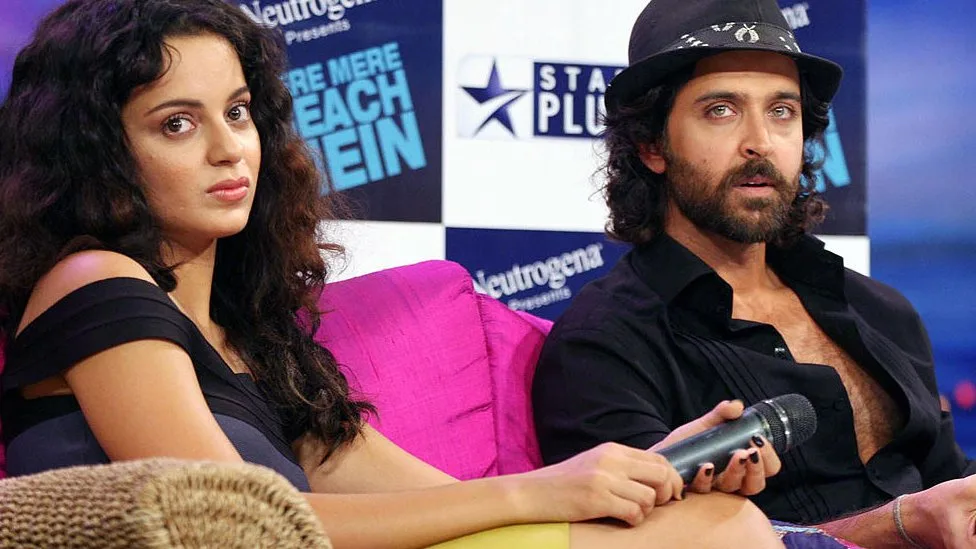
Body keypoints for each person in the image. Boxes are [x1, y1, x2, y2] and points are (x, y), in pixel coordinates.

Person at [0, 1, 788, 548]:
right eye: (177, 123)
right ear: (100, 152)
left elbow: (431, 494)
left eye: (237, 112)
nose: (227, 147)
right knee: (716, 533)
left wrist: (636, 474)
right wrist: (538, 492)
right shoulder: (94, 281)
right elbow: (235, 527)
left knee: (708, 522)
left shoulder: (245, 333)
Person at [531, 0, 976, 547]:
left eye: (782, 111)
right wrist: (901, 524)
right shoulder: (603, 344)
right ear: (651, 145)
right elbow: (646, 543)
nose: (760, 142)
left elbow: (949, 484)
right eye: (721, 109)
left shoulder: (880, 309)